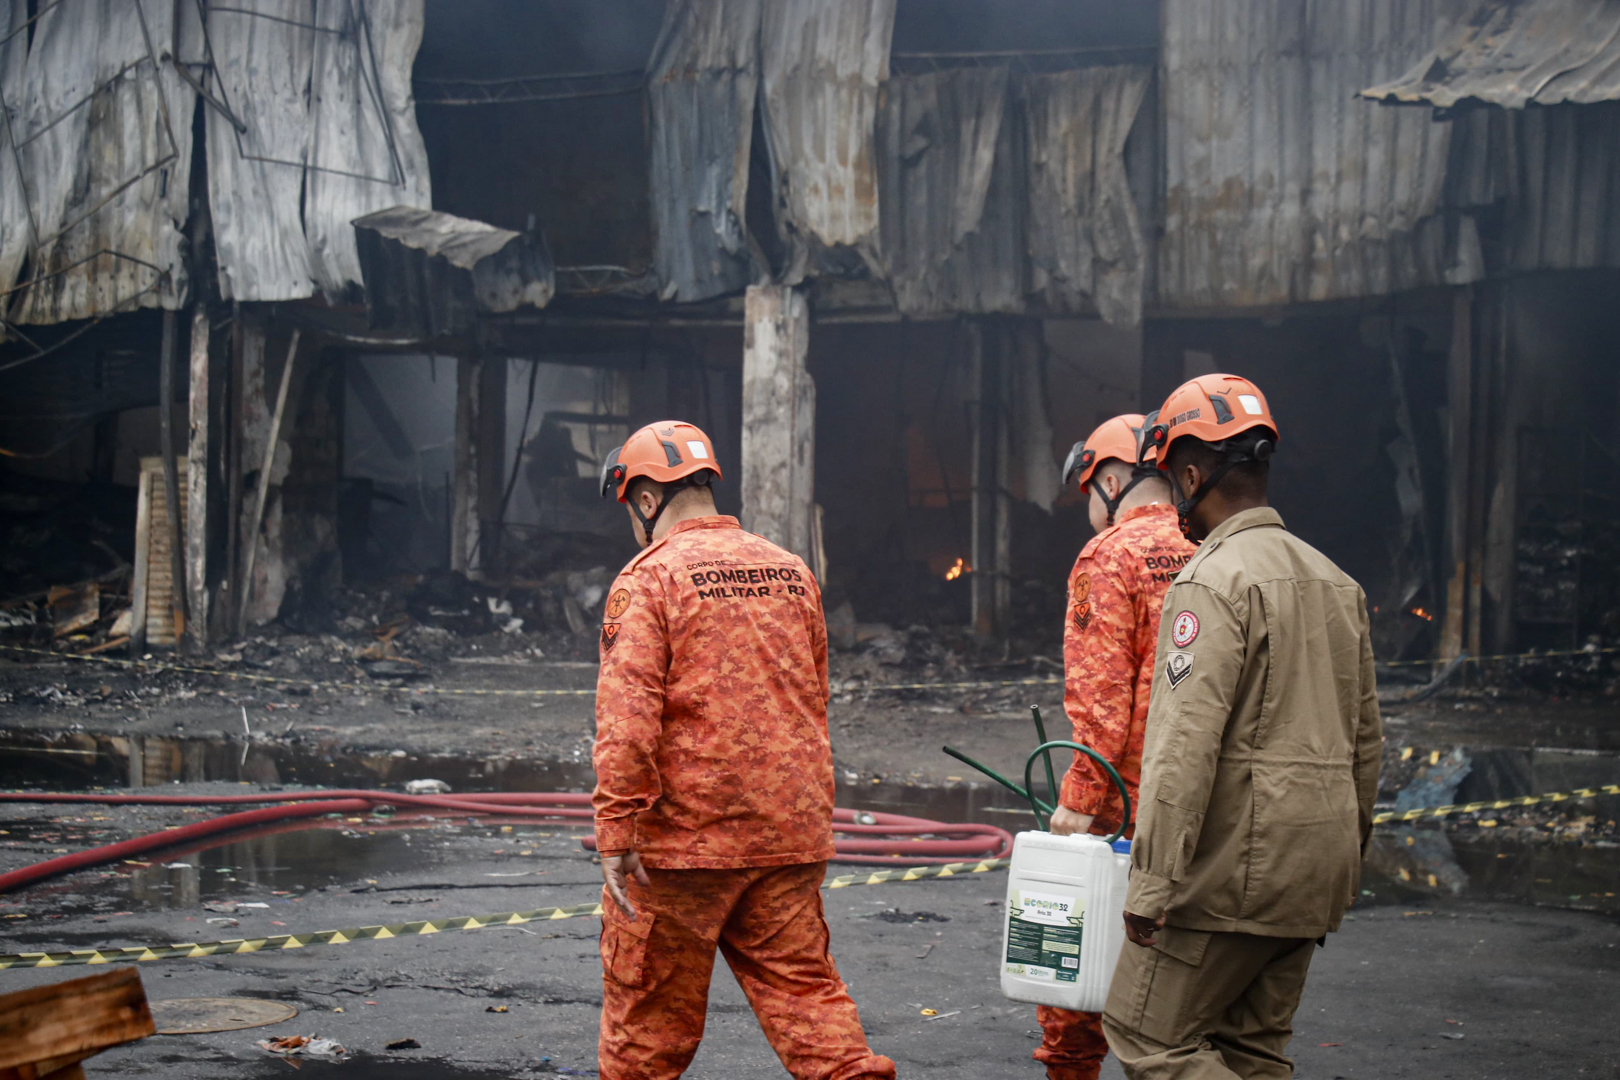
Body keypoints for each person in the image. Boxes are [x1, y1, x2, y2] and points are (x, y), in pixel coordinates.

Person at [590, 420, 895, 1080]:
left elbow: (627, 724)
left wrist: (615, 832)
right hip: (787, 836)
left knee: (645, 1033)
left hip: (681, 850)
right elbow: (814, 694)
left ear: (645, 500)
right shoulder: (791, 572)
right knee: (809, 1004)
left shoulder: (649, 580)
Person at [1101, 375, 1383, 1079]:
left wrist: (1153, 882)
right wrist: (1345, 862)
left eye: (1171, 482)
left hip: (1231, 880)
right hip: (1313, 876)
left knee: (1146, 1037)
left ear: (1192, 473)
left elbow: (1181, 747)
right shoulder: (1337, 582)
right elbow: (1366, 746)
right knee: (1251, 1051)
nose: (1172, 502)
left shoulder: (1211, 582)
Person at [1034, 413, 1195, 1080]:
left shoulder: (1109, 557)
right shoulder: (1209, 545)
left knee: (1075, 979)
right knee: (1183, 975)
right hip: (1199, 794)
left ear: (1112, 477)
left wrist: (1077, 801)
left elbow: (1102, 698)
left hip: (1120, 807)